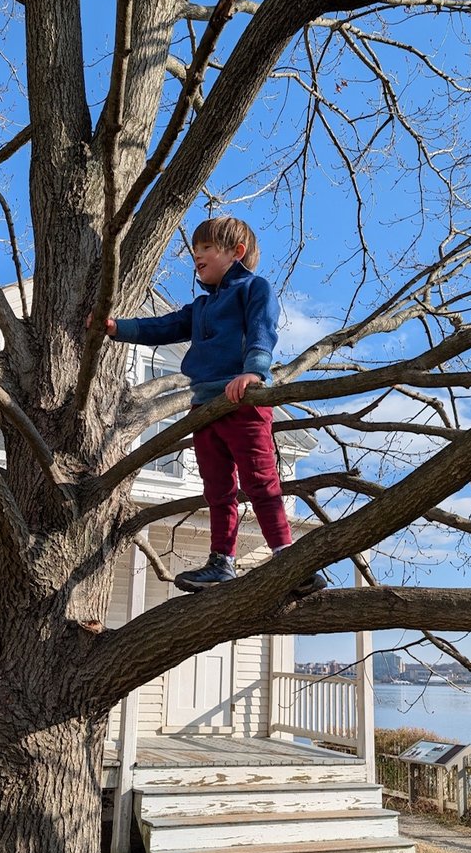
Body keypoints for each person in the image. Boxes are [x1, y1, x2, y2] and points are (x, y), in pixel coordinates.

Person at [94, 216, 326, 597]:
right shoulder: (200, 307)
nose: (196, 255)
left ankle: (288, 556)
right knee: (217, 489)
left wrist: (253, 373)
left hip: (242, 401)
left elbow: (262, 329)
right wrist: (118, 328)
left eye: (206, 248)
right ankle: (222, 562)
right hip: (205, 408)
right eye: (195, 250)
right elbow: (163, 327)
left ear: (236, 253)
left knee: (259, 481)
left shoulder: (254, 289)